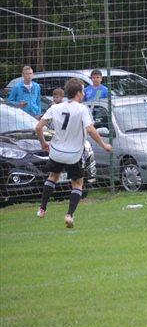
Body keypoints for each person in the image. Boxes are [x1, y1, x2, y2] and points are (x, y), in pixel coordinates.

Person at [34, 78, 113, 228]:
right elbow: (90, 129)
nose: (84, 93)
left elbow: (38, 127)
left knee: (53, 177)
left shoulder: (55, 107)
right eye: (83, 90)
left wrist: (43, 143)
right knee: (77, 184)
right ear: (78, 93)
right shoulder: (82, 109)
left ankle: (42, 209)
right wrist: (103, 145)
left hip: (56, 152)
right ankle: (69, 215)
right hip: (74, 154)